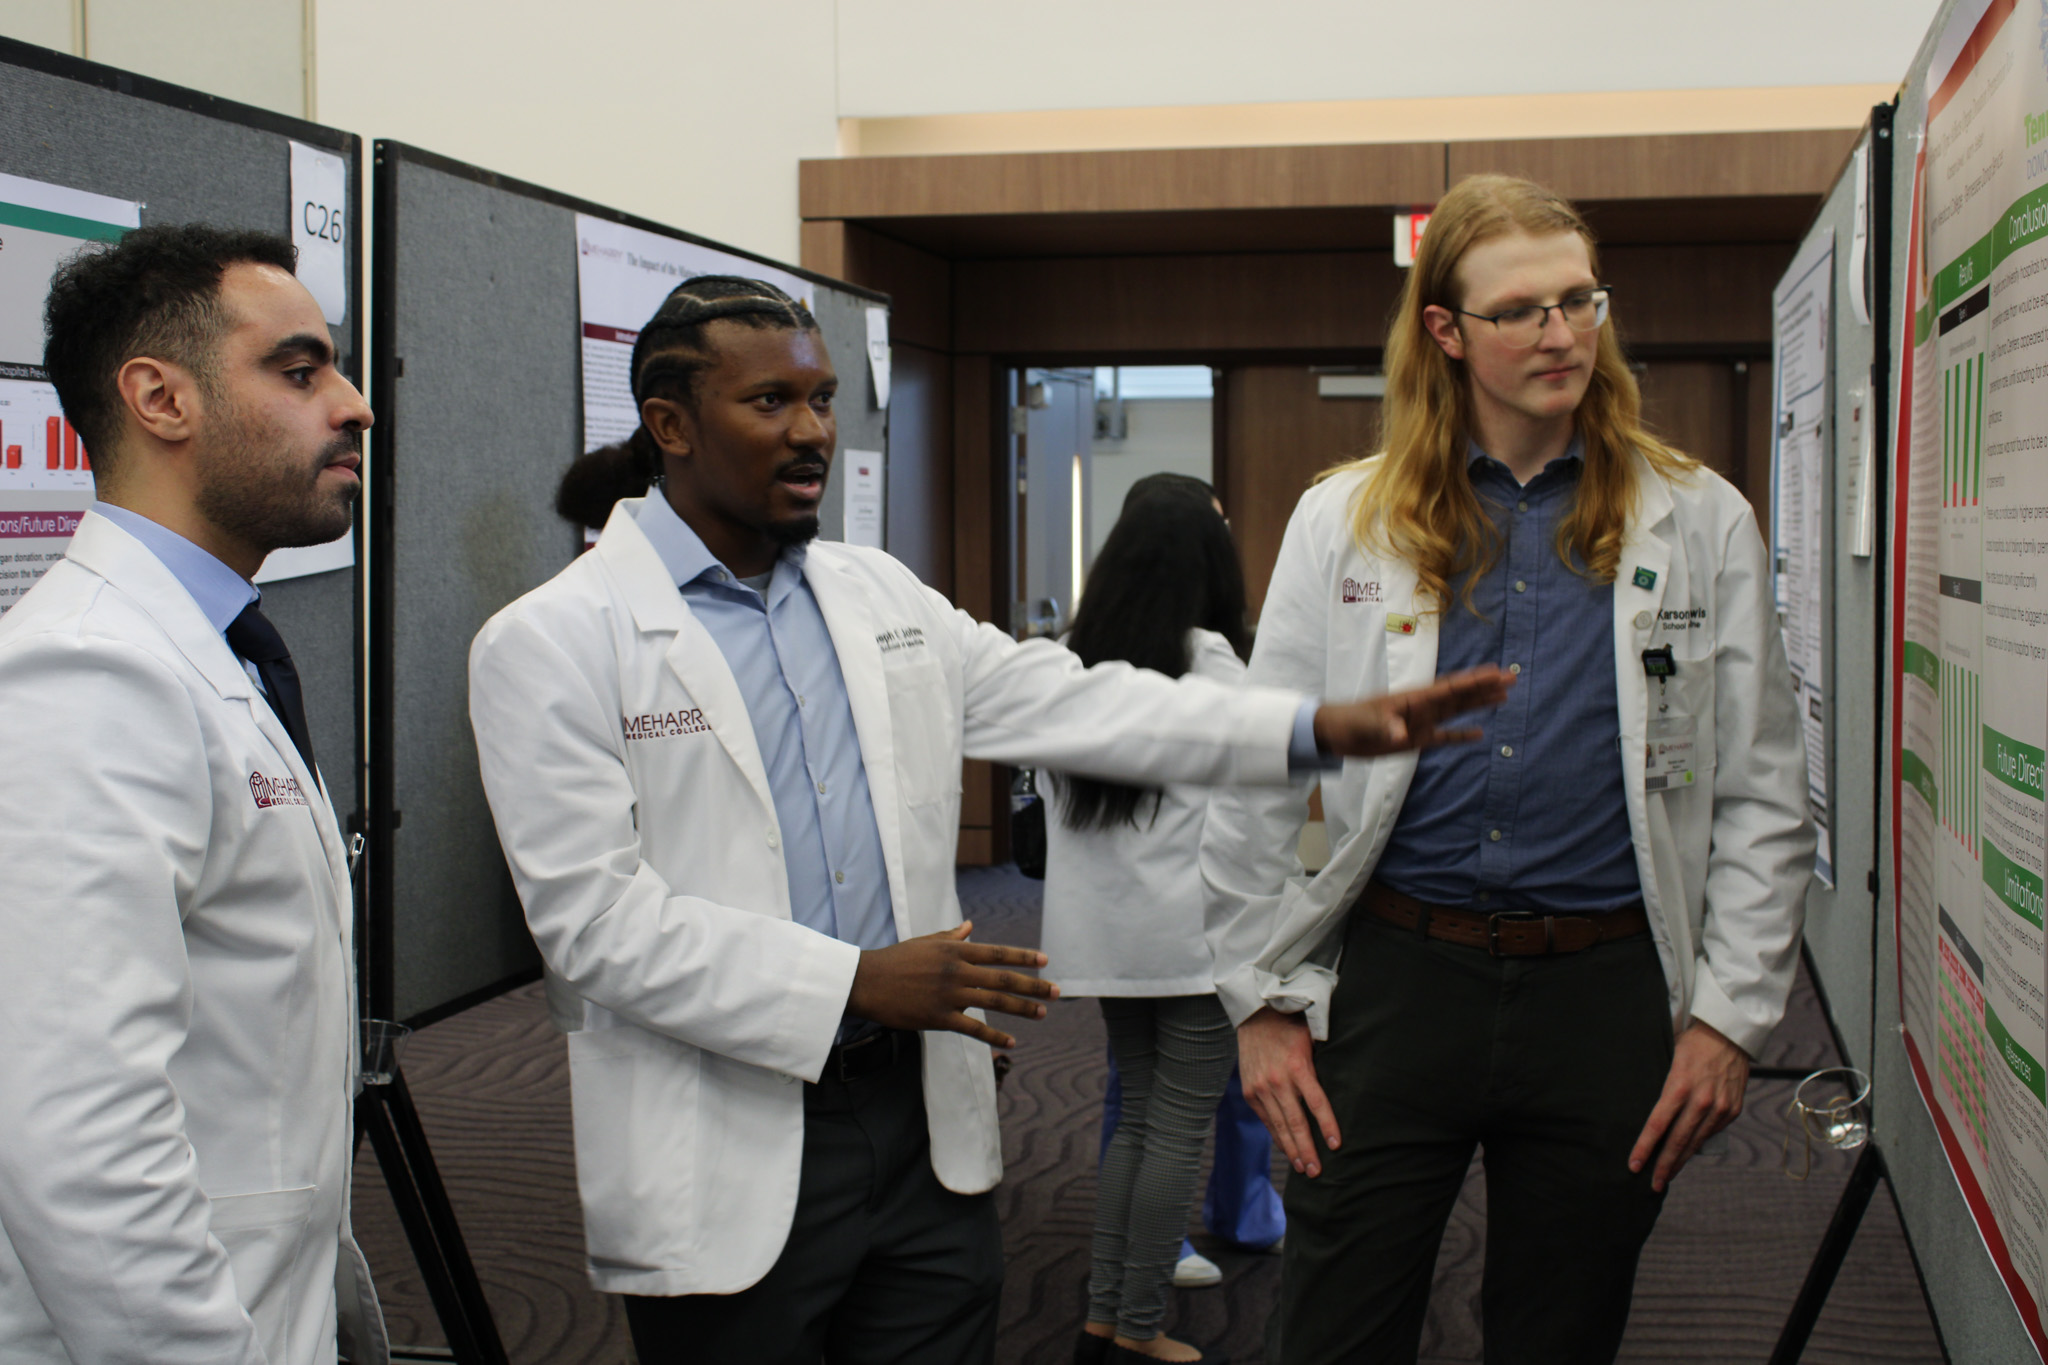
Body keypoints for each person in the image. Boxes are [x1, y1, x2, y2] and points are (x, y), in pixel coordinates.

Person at [467, 275, 1512, 1365]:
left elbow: (1080, 700)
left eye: (822, 400)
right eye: (769, 403)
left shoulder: (877, 596)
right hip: (724, 1129)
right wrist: (854, 983)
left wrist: (1311, 729)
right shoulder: (552, 641)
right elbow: (594, 926)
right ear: (669, 425)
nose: (812, 431)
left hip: (920, 1127)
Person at [1202, 174, 1814, 1365]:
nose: (1560, 334)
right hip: (1392, 983)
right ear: (1445, 331)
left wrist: (1728, 1022)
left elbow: (1759, 794)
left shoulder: (1698, 518)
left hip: (1605, 995)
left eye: (1579, 300)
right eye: (1521, 310)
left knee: (1560, 1330)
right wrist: (1258, 1002)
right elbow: (1266, 771)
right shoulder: (1347, 521)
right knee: (1332, 1328)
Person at [0, 225, 386, 1364]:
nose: (357, 405)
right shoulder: (85, 671)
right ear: (160, 399)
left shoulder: (212, 647)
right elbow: (81, 1137)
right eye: (302, 370)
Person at [1039, 490, 1258, 1365]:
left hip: (1106, 941)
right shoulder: (1214, 670)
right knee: (1175, 1128)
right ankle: (1136, 1326)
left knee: (1135, 1121)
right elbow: (1254, 817)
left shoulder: (1067, 664)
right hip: (1195, 943)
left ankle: (1105, 1317)